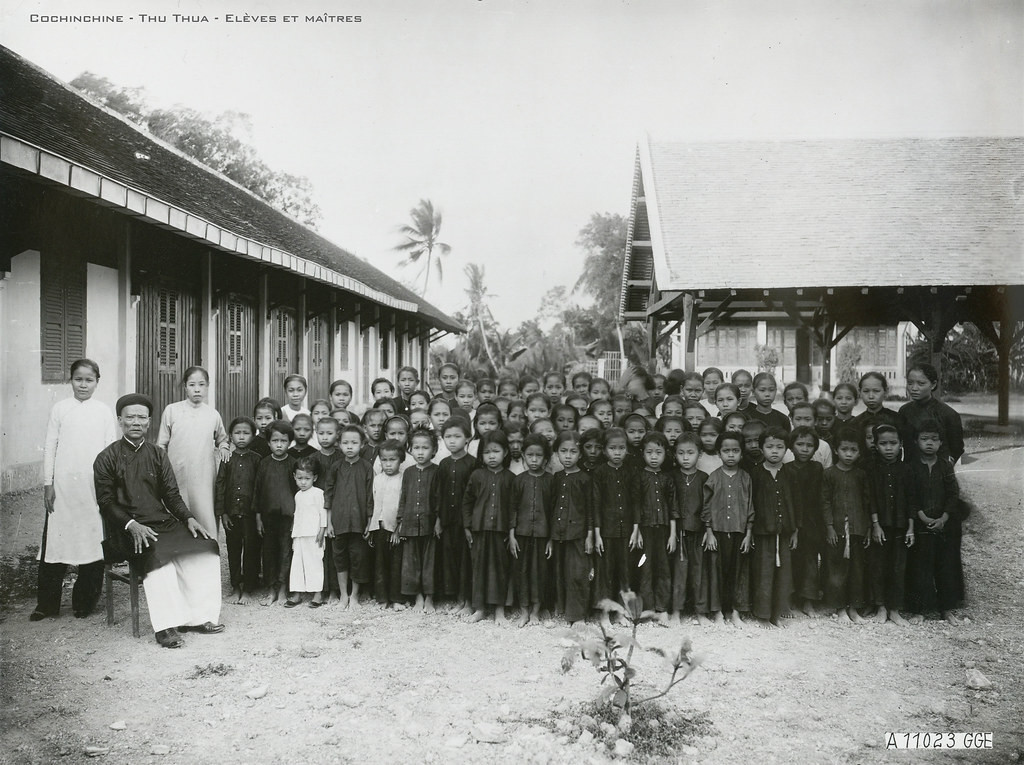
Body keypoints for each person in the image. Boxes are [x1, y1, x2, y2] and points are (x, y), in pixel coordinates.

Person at [93, 394, 222, 648]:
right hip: (127, 530)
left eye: (142, 417)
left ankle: (197, 617)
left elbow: (171, 495)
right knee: (158, 556)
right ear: (120, 420)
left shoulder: (157, 454)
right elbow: (106, 503)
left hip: (162, 523)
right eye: (130, 417)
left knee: (206, 547)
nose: (136, 422)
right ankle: (165, 627)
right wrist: (132, 525)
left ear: (150, 422)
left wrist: (188, 518)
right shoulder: (106, 458)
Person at [33, 359, 118, 621]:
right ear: (71, 380)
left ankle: (84, 602)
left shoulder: (103, 412)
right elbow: (50, 447)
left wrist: (108, 488)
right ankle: (46, 605)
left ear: (97, 382)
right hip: (63, 489)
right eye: (78, 379)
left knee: (92, 544)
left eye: (89, 380)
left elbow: (109, 452)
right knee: (55, 544)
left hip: (92, 489)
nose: (83, 384)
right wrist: (48, 483)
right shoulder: (60, 409)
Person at [156, 366, 230, 535]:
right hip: (177, 472)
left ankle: (208, 555)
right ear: (185, 387)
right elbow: (161, 444)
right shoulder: (172, 410)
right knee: (177, 512)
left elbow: (222, 438)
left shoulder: (213, 414)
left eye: (202, 384)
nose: (197, 389)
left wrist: (224, 447)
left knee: (205, 514)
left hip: (204, 474)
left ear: (208, 386)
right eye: (192, 385)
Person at [906, 419, 964, 624]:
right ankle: (918, 610)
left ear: (940, 443)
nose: (929, 443)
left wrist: (944, 518)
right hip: (921, 525)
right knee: (920, 567)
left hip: (943, 525)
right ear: (915, 441)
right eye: (924, 439)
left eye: (934, 439)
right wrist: (922, 516)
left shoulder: (945, 465)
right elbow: (910, 496)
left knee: (945, 567)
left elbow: (953, 493)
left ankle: (946, 609)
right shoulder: (911, 466)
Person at [462, 430, 515, 624]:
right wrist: (467, 526)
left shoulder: (510, 478)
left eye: (496, 451)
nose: (491, 456)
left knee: (499, 571)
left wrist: (511, 531)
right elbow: (467, 502)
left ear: (506, 453)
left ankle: (499, 611)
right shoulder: (477, 475)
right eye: (487, 452)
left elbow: (514, 508)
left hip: (501, 532)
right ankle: (480, 609)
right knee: (479, 570)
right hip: (479, 531)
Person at [821, 427, 873, 623]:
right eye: (845, 449)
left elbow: (867, 502)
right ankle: (840, 608)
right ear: (836, 450)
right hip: (837, 530)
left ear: (860, 452)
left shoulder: (861, 475)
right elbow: (824, 501)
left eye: (854, 450)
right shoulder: (829, 474)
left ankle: (854, 608)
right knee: (837, 570)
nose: (849, 454)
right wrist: (829, 527)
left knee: (857, 570)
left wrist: (867, 528)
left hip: (858, 529)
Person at [702, 432, 753, 627]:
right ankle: (717, 613)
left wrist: (748, 533)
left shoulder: (746, 478)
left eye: (735, 451)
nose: (730, 455)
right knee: (717, 573)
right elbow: (706, 506)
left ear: (741, 453)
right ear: (719, 453)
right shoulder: (713, 477)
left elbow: (750, 507)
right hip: (718, 532)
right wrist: (709, 532)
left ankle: (735, 612)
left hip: (739, 533)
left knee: (738, 573)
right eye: (726, 451)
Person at [749, 427, 798, 628]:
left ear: (786, 449)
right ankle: (762, 615)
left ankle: (778, 612)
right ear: (762, 448)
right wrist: (749, 531)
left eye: (779, 447)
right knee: (764, 572)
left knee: (784, 573)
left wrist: (796, 530)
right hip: (762, 532)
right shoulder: (755, 474)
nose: (774, 451)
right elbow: (750, 504)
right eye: (769, 447)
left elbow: (797, 503)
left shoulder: (790, 473)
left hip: (785, 531)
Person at [866, 424, 914, 626]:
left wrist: (911, 528)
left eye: (893, 443)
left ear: (901, 444)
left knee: (898, 567)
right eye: (883, 443)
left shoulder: (907, 469)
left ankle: (894, 609)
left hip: (901, 526)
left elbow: (912, 500)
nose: (888, 448)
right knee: (878, 566)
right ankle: (881, 607)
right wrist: (875, 525)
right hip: (881, 526)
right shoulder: (872, 469)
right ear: (875, 445)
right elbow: (871, 499)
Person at [547, 430, 594, 628]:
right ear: (557, 453)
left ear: (580, 454)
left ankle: (578, 616)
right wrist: (550, 537)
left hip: (578, 534)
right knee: (560, 572)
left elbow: (591, 508)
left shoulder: (585, 478)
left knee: (578, 573)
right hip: (558, 532)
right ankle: (562, 608)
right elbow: (551, 506)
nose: (568, 456)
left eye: (573, 452)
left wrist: (590, 534)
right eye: (563, 451)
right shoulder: (555, 478)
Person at [324, 424, 374, 610]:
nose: (350, 446)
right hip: (339, 522)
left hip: (359, 523)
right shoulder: (336, 467)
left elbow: (370, 496)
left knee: (358, 558)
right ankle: (343, 595)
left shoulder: (367, 467)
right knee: (340, 558)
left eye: (354, 442)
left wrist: (369, 521)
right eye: (345, 443)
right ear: (339, 444)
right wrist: (329, 522)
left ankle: (354, 596)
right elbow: (328, 494)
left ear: (362, 444)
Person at [591, 428, 637, 623]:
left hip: (626, 530)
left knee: (624, 572)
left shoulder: (631, 471)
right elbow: (596, 503)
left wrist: (636, 529)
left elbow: (636, 501)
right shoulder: (599, 473)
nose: (617, 452)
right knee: (605, 574)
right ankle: (603, 615)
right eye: (612, 448)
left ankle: (620, 612)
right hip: (606, 531)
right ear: (604, 450)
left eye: (621, 448)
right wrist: (597, 534)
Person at [214, 416, 262, 604]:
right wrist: (223, 513)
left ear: (253, 435)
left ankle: (249, 588)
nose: (241, 437)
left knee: (251, 550)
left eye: (246, 433)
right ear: (231, 436)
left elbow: (259, 488)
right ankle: (235, 586)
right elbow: (220, 486)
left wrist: (258, 514)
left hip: (250, 514)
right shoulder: (227, 459)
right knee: (233, 550)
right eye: (237, 433)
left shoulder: (257, 459)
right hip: (232, 513)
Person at [508, 434, 554, 627]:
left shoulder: (551, 481)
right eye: (530, 455)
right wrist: (511, 535)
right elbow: (512, 508)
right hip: (521, 535)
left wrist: (551, 539)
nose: (534, 460)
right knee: (523, 573)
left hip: (543, 536)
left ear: (545, 458)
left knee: (540, 574)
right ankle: (524, 611)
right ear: (524, 456)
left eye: (538, 456)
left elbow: (553, 511)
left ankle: (536, 611)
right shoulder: (519, 480)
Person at [394, 429, 441, 612]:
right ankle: (418, 597)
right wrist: (400, 522)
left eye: (425, 448)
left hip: (430, 524)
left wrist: (438, 521)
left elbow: (439, 499)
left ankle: (429, 598)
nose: (420, 452)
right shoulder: (409, 473)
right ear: (410, 450)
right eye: (416, 448)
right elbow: (403, 498)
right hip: (411, 524)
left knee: (429, 562)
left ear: (434, 450)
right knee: (411, 563)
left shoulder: (437, 471)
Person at [632, 432, 678, 622]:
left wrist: (673, 534)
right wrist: (637, 531)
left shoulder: (667, 478)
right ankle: (647, 608)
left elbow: (673, 506)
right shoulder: (639, 477)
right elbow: (635, 503)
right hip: (645, 530)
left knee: (664, 568)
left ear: (665, 454)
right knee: (645, 567)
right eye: (649, 452)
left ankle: (662, 609)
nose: (653, 457)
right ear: (642, 453)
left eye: (658, 452)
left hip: (664, 530)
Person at [253, 420, 297, 605]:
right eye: (275, 441)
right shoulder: (264, 464)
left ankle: (283, 590)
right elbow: (258, 491)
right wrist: (258, 517)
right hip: (268, 517)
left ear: (290, 442)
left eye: (283, 441)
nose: (279, 445)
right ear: (268, 443)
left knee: (286, 553)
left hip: (288, 518)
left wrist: (297, 517)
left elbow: (298, 492)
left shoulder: (293, 464)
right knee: (269, 553)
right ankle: (271, 589)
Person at [785, 426, 826, 617]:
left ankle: (809, 600)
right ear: (791, 447)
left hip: (812, 522)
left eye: (810, 445)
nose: (804, 449)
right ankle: (792, 599)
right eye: (800, 444)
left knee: (810, 560)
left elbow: (821, 497)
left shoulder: (817, 468)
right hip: (792, 522)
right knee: (791, 560)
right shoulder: (787, 469)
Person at [436, 418, 476, 612]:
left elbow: (474, 496)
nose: (452, 441)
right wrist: (438, 520)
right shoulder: (443, 464)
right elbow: (439, 494)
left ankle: (467, 601)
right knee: (450, 560)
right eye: (448, 437)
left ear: (468, 438)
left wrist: (469, 524)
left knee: (465, 561)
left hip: (465, 522)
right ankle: (457, 599)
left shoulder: (473, 464)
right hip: (447, 520)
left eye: (457, 436)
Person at [670, 433, 709, 626]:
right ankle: (676, 611)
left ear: (699, 454)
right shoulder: (672, 477)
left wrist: (706, 529)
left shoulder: (703, 478)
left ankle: (701, 612)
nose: (685, 458)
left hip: (698, 532)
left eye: (690, 453)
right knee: (679, 572)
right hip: (677, 533)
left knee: (699, 572)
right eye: (681, 453)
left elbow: (707, 505)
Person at [896, 363, 965, 464]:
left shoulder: (948, 414)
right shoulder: (904, 411)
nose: (914, 388)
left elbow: (957, 448)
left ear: (933, 385)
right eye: (910, 383)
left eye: (921, 383)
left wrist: (945, 466)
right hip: (910, 472)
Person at [285, 457, 327, 608]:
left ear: (314, 478)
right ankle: (297, 593)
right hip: (299, 534)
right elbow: (298, 514)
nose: (303, 482)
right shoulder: (297, 495)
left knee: (314, 563)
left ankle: (317, 594)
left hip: (314, 534)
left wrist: (322, 530)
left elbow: (323, 513)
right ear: (294, 477)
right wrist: (293, 530)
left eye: (307, 478)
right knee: (297, 563)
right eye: (300, 478)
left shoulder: (318, 493)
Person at [368, 440, 404, 608]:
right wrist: (371, 527)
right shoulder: (377, 480)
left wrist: (398, 530)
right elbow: (373, 504)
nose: (388, 464)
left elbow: (404, 506)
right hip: (379, 527)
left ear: (401, 460)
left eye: (392, 460)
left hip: (395, 529)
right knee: (380, 565)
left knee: (396, 565)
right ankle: (382, 598)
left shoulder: (403, 479)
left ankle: (396, 599)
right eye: (384, 460)